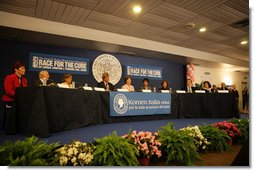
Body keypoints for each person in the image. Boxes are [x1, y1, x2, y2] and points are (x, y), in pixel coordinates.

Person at [2, 61, 28, 131]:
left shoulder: (24, 80)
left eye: (24, 68)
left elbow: (25, 91)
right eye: (22, 68)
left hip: (20, 101)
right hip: (10, 100)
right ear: (16, 69)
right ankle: (9, 129)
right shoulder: (9, 77)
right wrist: (18, 97)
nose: (24, 70)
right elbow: (8, 90)